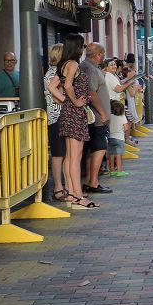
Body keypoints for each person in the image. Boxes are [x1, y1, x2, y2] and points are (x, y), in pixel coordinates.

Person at [58, 34, 97, 210]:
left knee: (70, 156)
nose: (83, 50)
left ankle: (71, 193)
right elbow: (67, 86)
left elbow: (53, 86)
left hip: (69, 113)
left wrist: (64, 100)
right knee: (76, 157)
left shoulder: (63, 65)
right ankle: (78, 196)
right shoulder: (73, 64)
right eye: (82, 46)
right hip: (75, 113)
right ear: (77, 47)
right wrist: (75, 101)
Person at [80, 44, 112, 195]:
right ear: (98, 54)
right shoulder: (90, 68)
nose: (104, 55)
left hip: (96, 117)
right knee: (100, 148)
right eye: (103, 53)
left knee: (93, 150)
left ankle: (89, 181)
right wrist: (103, 112)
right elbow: (91, 93)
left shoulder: (90, 66)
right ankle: (93, 182)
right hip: (96, 118)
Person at [43, 43, 68, 202]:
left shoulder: (55, 72)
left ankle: (64, 187)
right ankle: (58, 188)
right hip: (57, 117)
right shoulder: (54, 73)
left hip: (59, 117)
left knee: (63, 154)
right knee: (59, 154)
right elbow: (56, 97)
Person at [107, 101, 129, 177]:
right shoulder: (123, 117)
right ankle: (119, 171)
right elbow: (126, 128)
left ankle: (112, 171)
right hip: (119, 138)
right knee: (118, 155)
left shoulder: (110, 116)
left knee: (111, 155)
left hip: (110, 138)